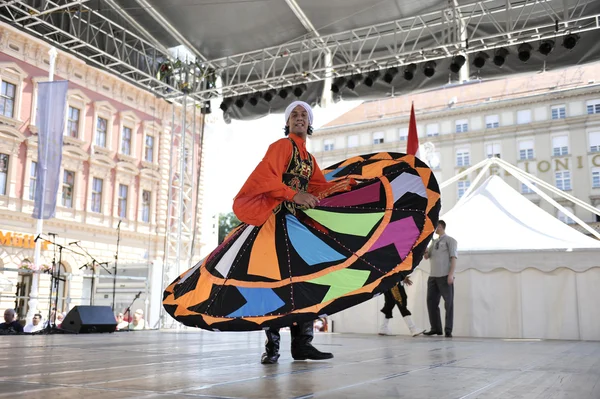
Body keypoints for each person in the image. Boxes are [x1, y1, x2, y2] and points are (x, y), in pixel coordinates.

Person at [233, 101, 353, 364]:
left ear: (309, 124)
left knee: (308, 279)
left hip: (298, 225)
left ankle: (302, 345)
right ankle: (272, 347)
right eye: (294, 115)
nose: (299, 118)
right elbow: (266, 179)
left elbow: (320, 187)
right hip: (274, 221)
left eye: (304, 115)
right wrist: (293, 193)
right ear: (287, 123)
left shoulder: (309, 159)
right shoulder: (281, 146)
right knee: (274, 283)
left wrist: (348, 186)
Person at [423, 220, 458, 338]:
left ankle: (448, 329)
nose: (435, 229)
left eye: (436, 226)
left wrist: (450, 274)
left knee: (448, 303)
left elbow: (453, 258)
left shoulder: (450, 240)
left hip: (444, 276)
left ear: (441, 226)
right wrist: (425, 247)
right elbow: (427, 257)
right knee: (431, 302)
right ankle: (435, 328)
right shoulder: (433, 242)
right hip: (433, 276)